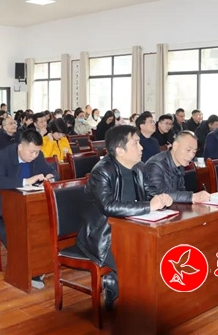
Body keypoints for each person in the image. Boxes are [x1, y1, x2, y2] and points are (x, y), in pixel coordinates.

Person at [76, 125, 173, 307]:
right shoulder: (102, 171)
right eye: (136, 143)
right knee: (138, 263)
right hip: (103, 235)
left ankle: (122, 287)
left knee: (161, 252)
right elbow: (108, 206)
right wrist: (148, 206)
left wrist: (162, 198)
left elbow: (151, 191)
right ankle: (131, 302)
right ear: (120, 150)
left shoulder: (140, 167)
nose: (141, 147)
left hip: (134, 229)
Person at [0, 129, 58, 289]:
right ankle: (28, 271)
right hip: (2, 206)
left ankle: (39, 264)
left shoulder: (37, 155)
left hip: (28, 204)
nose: (34, 155)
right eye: (31, 152)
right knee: (13, 231)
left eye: (37, 152)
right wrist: (26, 181)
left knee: (41, 226)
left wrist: (51, 177)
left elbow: (52, 171)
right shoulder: (4, 156)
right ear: (20, 147)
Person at [146, 131, 211, 202]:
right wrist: (192, 197)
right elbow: (160, 195)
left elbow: (181, 190)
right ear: (175, 146)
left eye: (194, 152)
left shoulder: (180, 164)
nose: (191, 155)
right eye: (188, 150)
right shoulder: (156, 164)